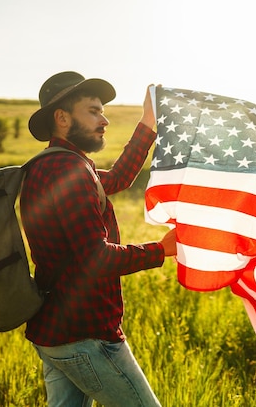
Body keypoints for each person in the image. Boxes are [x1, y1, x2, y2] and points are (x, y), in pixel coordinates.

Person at [20, 71, 176, 407]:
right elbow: (96, 259)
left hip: (55, 331)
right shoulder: (69, 171)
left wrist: (148, 122)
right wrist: (162, 250)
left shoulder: (53, 165)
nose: (104, 119)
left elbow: (117, 178)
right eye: (93, 110)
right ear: (62, 118)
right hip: (85, 336)